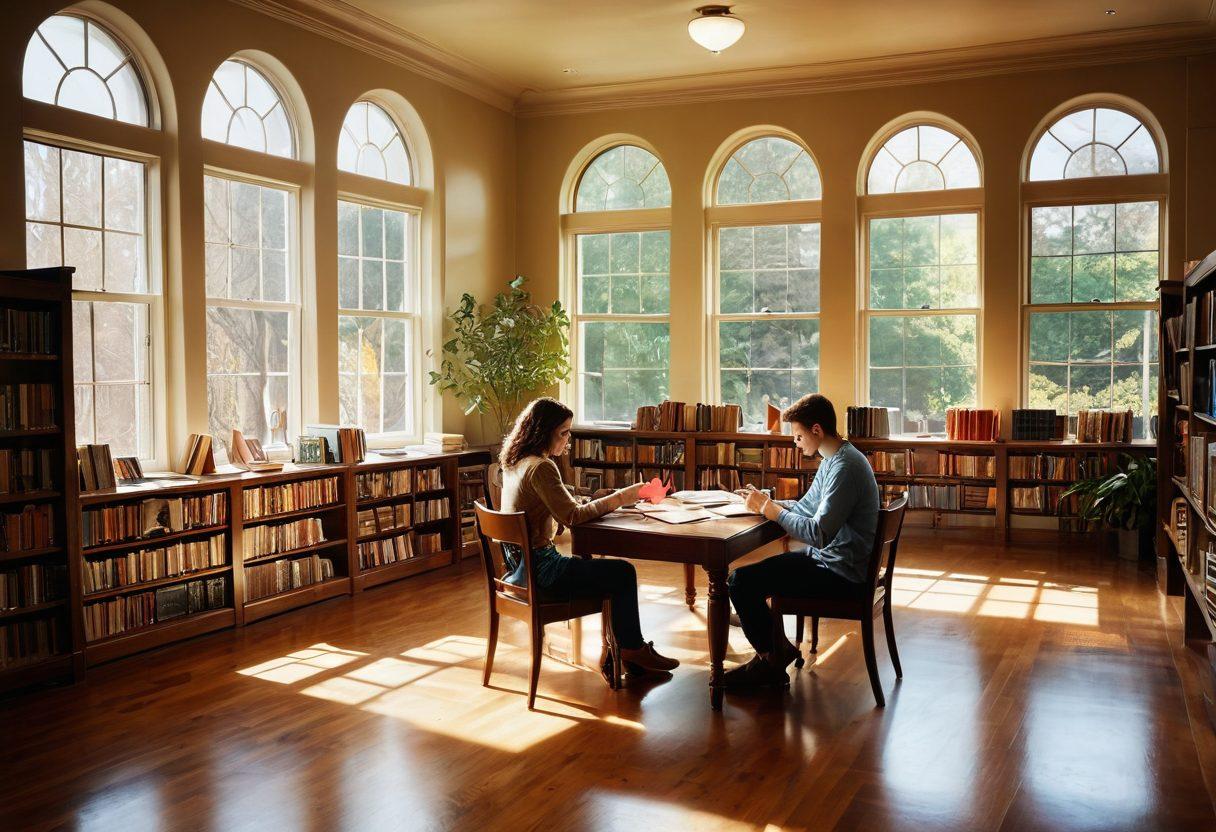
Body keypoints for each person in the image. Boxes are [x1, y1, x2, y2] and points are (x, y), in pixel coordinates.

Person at [497, 397, 679, 680]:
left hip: (518, 569)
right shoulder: (542, 467)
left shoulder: (516, 462)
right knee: (622, 572)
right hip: (543, 572)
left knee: (610, 573)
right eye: (563, 433)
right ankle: (631, 651)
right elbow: (572, 517)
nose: (567, 440)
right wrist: (622, 497)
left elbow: (546, 504)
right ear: (543, 432)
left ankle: (623, 652)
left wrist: (589, 499)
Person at [724, 393, 880, 688]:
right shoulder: (835, 459)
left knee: (740, 582)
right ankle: (775, 650)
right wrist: (766, 502)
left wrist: (772, 512)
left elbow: (818, 534)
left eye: (798, 436)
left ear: (817, 430)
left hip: (841, 575)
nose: (796, 443)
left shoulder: (845, 468)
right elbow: (806, 508)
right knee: (748, 578)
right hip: (831, 562)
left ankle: (771, 660)